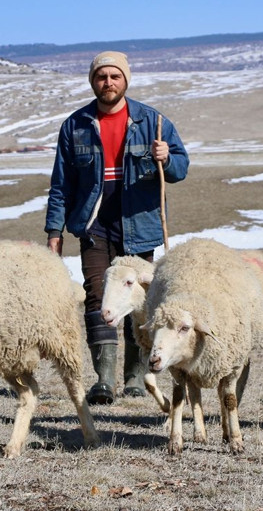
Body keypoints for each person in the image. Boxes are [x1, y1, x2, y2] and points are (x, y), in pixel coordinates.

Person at [45, 51, 189, 405]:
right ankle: (104, 380)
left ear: (125, 80)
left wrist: (166, 158)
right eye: (101, 77)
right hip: (94, 227)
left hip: (139, 225)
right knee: (97, 297)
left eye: (114, 77)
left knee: (137, 303)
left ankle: (136, 378)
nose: (107, 83)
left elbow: (181, 168)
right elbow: (61, 185)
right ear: (92, 81)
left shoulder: (152, 121)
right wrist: (54, 232)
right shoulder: (76, 125)